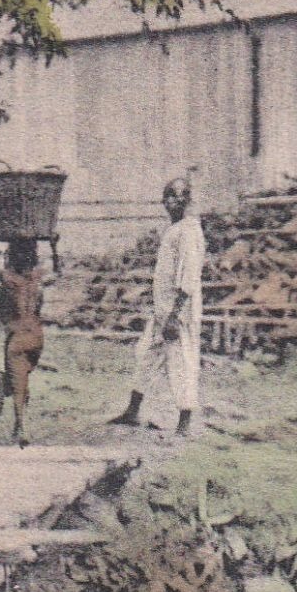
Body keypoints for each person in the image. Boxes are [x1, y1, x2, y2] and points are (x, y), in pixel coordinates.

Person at [108, 178, 204, 438]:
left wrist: (174, 315)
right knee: (146, 358)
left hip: (178, 314)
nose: (170, 202)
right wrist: (163, 312)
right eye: (167, 197)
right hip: (162, 312)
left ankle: (184, 423)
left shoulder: (188, 231)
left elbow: (189, 277)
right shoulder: (173, 230)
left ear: (186, 201)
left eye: (176, 197)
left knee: (182, 364)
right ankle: (132, 411)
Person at [0, 238, 45, 445]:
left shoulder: (8, 282)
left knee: (17, 383)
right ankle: (18, 425)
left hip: (17, 335)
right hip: (37, 336)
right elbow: (39, 308)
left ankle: (22, 427)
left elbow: (3, 313)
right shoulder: (37, 280)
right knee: (24, 379)